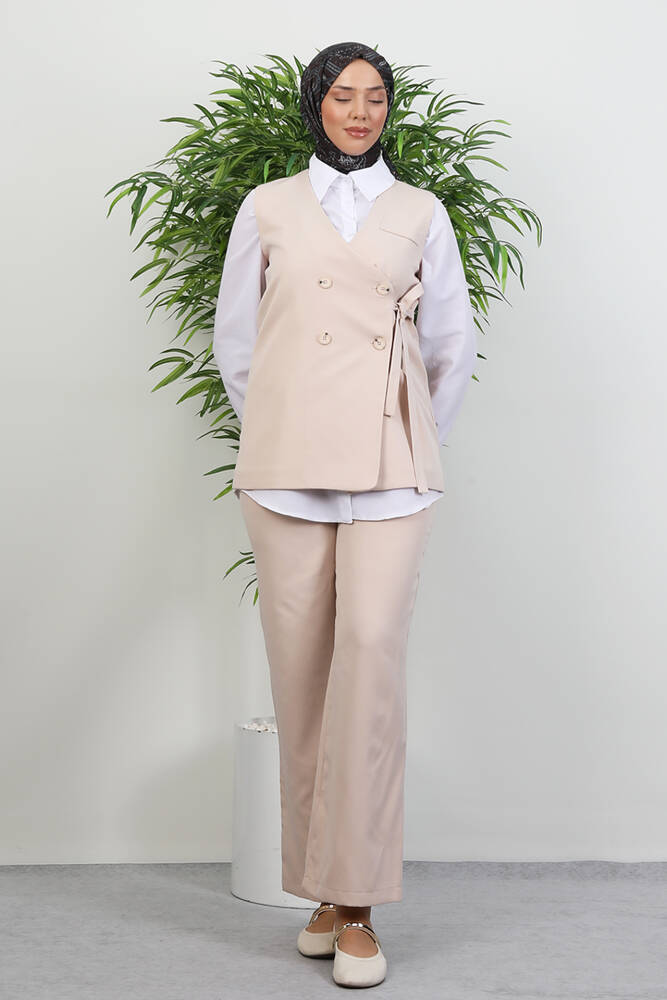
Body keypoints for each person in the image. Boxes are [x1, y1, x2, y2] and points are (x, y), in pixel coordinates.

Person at [213, 40, 477, 989]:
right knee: (300, 676)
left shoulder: (421, 212)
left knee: (368, 660)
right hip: (285, 469)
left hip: (390, 467)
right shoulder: (266, 207)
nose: (359, 112)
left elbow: (449, 344)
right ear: (315, 105)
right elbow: (237, 347)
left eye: (374, 97)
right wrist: (286, 425)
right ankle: (321, 893)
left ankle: (359, 904)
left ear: (387, 111)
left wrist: (404, 434)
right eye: (342, 96)